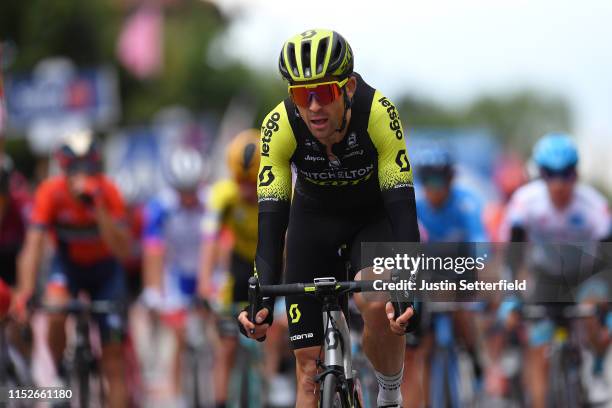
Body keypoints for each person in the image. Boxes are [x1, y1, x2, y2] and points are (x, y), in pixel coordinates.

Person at [237, 29, 420, 408]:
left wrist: (407, 282)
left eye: (325, 92)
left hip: (372, 220)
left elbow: (401, 205)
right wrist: (262, 298)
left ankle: (388, 392)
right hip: (313, 224)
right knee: (307, 372)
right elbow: (272, 218)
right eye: (303, 95)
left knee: (373, 297)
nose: (314, 106)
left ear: (348, 87)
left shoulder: (379, 113)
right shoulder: (280, 125)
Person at [14, 129, 131, 408]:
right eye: (74, 168)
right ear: (63, 169)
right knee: (55, 311)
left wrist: (98, 207)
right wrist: (26, 291)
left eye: (89, 168)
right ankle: (58, 376)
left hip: (106, 272)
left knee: (113, 363)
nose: (82, 174)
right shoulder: (50, 192)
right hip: (68, 268)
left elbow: (124, 251)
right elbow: (34, 246)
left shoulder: (109, 191)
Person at [501, 133, 611, 408]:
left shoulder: (593, 205)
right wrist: (511, 295)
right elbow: (512, 256)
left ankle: (596, 369)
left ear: (576, 174)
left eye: (567, 174)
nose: (559, 184)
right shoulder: (525, 202)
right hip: (547, 277)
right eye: (551, 174)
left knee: (592, 310)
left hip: (586, 275)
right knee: (538, 350)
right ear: (540, 174)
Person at [401, 146, 488, 406]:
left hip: (461, 268)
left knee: (464, 312)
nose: (433, 187)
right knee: (422, 345)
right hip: (427, 272)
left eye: (440, 180)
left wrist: (483, 286)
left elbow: (481, 246)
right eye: (427, 180)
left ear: (451, 180)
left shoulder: (467, 202)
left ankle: (473, 354)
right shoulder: (414, 204)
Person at [198, 129, 264, 407]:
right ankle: (221, 400)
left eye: (252, 182)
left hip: (270, 262)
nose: (246, 190)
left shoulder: (281, 190)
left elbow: (289, 243)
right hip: (239, 266)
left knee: (278, 329)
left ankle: (271, 380)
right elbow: (210, 241)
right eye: (240, 181)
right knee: (226, 344)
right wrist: (204, 284)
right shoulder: (222, 195)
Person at [140, 145, 208, 403]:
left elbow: (220, 244)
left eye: (192, 190)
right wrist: (154, 291)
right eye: (183, 191)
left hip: (204, 271)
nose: (189, 197)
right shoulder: (160, 207)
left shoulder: (210, 201)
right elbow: (153, 251)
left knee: (217, 328)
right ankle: (180, 395)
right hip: (176, 275)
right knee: (180, 334)